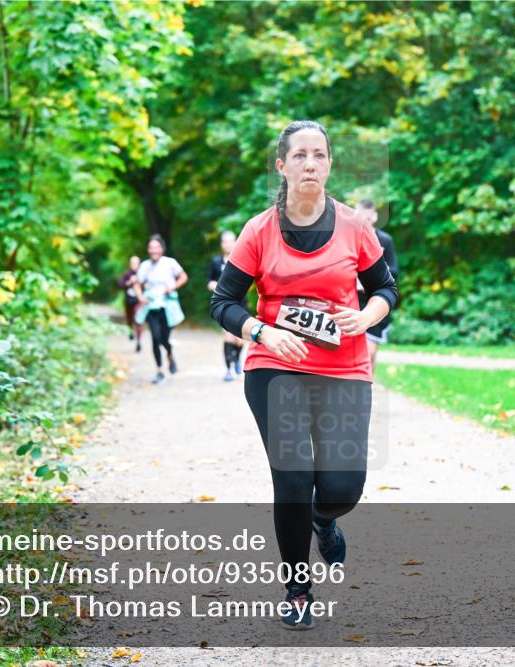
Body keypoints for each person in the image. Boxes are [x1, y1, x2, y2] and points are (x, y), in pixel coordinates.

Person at [210, 120, 397, 629]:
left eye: (319, 155)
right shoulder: (259, 230)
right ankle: (297, 590)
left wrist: (367, 315)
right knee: (292, 478)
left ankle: (324, 519)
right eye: (299, 156)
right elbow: (223, 301)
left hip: (344, 366)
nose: (309, 163)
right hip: (277, 367)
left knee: (342, 489)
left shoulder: (356, 228)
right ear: (282, 165)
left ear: (329, 164)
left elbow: (387, 289)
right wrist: (261, 331)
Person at [135, 235, 188, 385]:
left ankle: (170, 355)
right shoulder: (144, 266)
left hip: (167, 306)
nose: (154, 250)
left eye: (156, 247)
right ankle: (159, 370)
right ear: (148, 249)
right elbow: (137, 284)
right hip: (151, 306)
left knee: (164, 338)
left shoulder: (169, 263)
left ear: (162, 249)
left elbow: (183, 276)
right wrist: (140, 296)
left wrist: (173, 286)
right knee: (155, 338)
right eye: (151, 247)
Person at [354, 199, 399, 372]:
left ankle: (368, 386)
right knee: (357, 353)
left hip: (374, 301)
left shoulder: (385, 241)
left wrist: (369, 281)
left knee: (369, 352)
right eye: (359, 217)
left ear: (374, 217)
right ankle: (363, 387)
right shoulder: (348, 239)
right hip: (352, 302)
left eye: (367, 217)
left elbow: (393, 272)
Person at [207, 231, 245, 381]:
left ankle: (236, 359)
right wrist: (216, 286)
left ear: (236, 242)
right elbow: (209, 281)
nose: (228, 244)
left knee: (239, 339)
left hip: (241, 303)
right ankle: (228, 369)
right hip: (224, 303)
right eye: (225, 241)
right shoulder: (216, 262)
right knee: (228, 336)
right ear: (222, 244)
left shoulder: (242, 259)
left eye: (231, 241)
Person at [117, 255, 144, 353]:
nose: (134, 265)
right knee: (129, 319)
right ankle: (130, 331)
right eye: (133, 263)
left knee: (138, 319)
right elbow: (120, 284)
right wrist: (129, 282)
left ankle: (139, 341)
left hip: (139, 301)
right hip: (128, 301)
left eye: (136, 263)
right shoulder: (126, 274)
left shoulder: (142, 274)